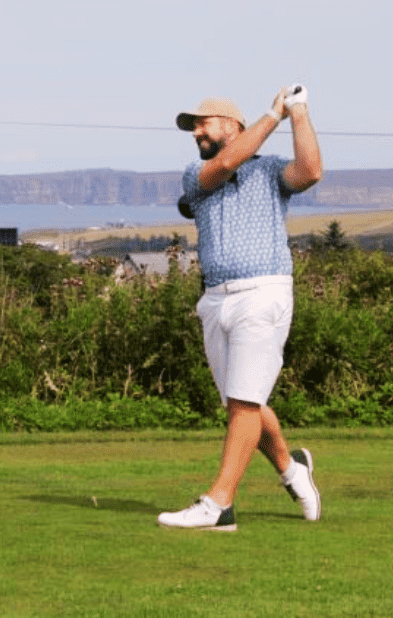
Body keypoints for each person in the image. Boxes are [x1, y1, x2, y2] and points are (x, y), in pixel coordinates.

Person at [157, 85, 322, 531]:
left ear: (233, 125)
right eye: (193, 127)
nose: (196, 132)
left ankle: (220, 504)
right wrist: (274, 115)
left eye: (203, 123)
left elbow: (310, 171)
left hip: (263, 292)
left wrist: (298, 112)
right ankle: (292, 468)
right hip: (215, 299)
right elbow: (226, 164)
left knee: (245, 403)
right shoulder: (197, 172)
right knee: (242, 403)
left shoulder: (269, 172)